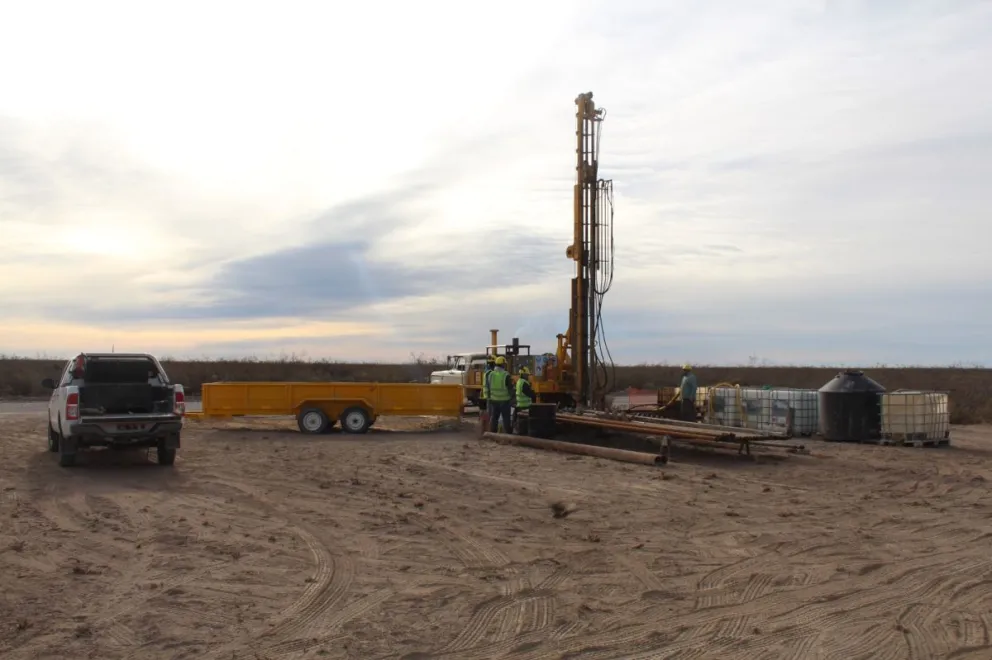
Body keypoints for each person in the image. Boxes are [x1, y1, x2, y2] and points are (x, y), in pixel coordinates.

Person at [487, 356, 513, 434]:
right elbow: (510, 389)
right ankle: (508, 434)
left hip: (494, 400)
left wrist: (489, 398)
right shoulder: (506, 375)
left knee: (494, 418)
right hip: (504, 401)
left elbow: (488, 387)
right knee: (506, 419)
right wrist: (513, 398)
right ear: (502, 365)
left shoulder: (490, 374)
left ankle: (493, 434)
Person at [513, 366, 536, 433]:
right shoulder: (524, 383)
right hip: (525, 406)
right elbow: (530, 394)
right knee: (525, 423)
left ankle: (519, 432)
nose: (527, 376)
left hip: (520, 405)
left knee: (520, 422)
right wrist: (534, 393)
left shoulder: (519, 381)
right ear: (523, 374)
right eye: (527, 375)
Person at [478, 355, 496, 435]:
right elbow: (491, 385)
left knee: (484, 415)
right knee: (489, 415)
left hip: (484, 395)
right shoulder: (491, 373)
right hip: (489, 397)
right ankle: (487, 433)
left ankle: (482, 432)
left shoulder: (486, 371)